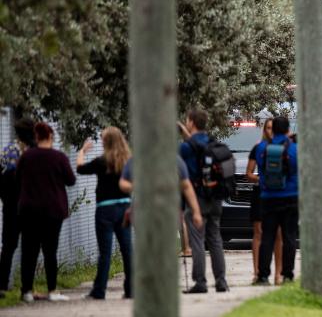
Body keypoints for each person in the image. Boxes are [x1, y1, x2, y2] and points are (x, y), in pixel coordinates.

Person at [17, 122, 76, 302]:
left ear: (36, 137)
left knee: (29, 251)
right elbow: (71, 180)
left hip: (29, 211)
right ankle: (52, 290)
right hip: (53, 211)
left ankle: (26, 291)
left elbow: (17, 178)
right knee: (50, 251)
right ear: (51, 137)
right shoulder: (59, 158)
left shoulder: (26, 157)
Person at [77, 127, 133, 300]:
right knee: (127, 250)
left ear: (106, 142)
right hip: (125, 208)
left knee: (105, 252)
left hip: (105, 210)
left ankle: (99, 290)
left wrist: (82, 151)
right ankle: (131, 289)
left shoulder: (102, 161)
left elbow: (80, 168)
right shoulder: (128, 161)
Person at [178, 109, 228, 294]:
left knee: (197, 241)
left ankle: (200, 282)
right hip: (215, 197)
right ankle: (221, 281)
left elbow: (180, 171)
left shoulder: (185, 147)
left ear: (191, 122)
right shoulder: (212, 143)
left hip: (196, 198)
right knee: (215, 239)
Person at [252, 116, 298, 285]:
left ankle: (263, 275)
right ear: (287, 130)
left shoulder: (261, 148)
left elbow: (260, 169)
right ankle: (287, 275)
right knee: (289, 237)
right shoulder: (294, 149)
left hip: (268, 197)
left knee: (267, 237)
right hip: (290, 197)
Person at [118, 155, 203, 231]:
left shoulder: (174, 159)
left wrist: (196, 212)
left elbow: (186, 186)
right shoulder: (138, 159)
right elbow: (123, 182)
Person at [245, 119, 282, 285]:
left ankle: (278, 274)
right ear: (264, 130)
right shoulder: (257, 148)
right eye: (267, 128)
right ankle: (257, 272)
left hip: (278, 194)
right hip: (260, 193)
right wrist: (262, 180)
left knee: (278, 234)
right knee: (258, 232)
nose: (270, 131)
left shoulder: (283, 148)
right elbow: (249, 173)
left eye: (273, 128)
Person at [0, 118, 35, 297]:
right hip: (29, 206)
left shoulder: (8, 150)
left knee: (8, 246)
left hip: (10, 206)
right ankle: (26, 287)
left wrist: (5, 198)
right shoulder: (34, 152)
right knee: (29, 247)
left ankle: (2, 285)